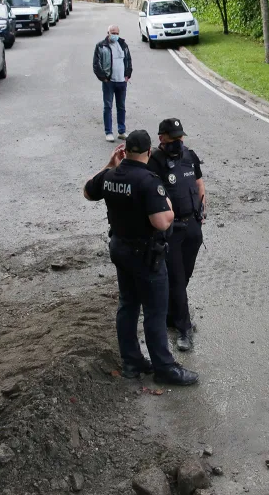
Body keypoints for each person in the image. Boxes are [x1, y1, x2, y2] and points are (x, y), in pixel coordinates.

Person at [83, 129, 198, 386]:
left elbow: (88, 192)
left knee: (127, 305)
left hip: (120, 250)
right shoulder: (148, 181)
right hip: (146, 255)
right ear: (148, 152)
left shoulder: (111, 175)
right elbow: (160, 222)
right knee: (155, 312)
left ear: (124, 151)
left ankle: (132, 362)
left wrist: (109, 165)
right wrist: (168, 206)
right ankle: (164, 368)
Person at [147, 118, 205, 352]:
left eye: (180, 137)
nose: (178, 142)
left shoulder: (190, 156)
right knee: (178, 280)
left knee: (185, 276)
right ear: (161, 138)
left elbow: (199, 184)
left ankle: (173, 315)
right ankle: (184, 329)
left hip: (192, 227)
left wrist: (201, 212)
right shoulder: (154, 162)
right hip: (171, 232)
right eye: (173, 138)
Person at [93, 25, 132, 143]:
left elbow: (128, 60)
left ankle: (121, 131)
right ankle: (108, 132)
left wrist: (127, 75)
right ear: (108, 33)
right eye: (112, 32)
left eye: (116, 33)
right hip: (109, 82)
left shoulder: (123, 45)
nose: (114, 35)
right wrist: (103, 78)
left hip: (122, 82)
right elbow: (96, 64)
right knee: (108, 107)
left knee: (121, 107)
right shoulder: (101, 46)